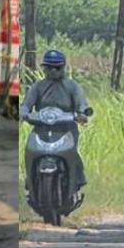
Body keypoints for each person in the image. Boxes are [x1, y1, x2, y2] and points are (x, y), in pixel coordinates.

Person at [20, 49, 90, 197]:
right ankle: (30, 180)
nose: (53, 71)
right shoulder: (37, 87)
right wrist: (23, 113)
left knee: (73, 154)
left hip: (66, 130)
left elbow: (81, 104)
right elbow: (26, 104)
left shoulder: (72, 87)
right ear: (44, 68)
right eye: (49, 67)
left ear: (63, 67)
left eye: (57, 68)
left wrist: (82, 114)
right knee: (29, 151)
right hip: (41, 129)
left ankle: (76, 180)